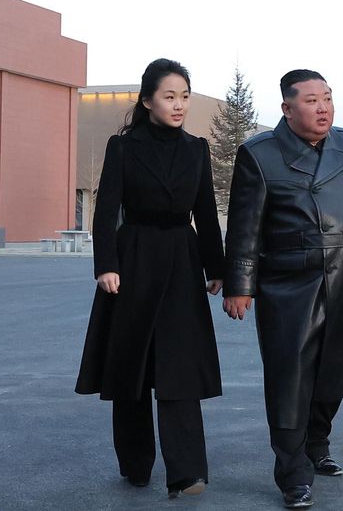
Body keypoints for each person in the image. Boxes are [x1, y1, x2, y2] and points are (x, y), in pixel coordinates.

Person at [223, 69, 343, 509]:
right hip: (288, 279)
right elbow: (244, 227)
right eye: (311, 100)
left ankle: (318, 443)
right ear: (287, 109)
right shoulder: (260, 154)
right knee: (289, 374)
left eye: (327, 98)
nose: (323, 107)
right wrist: (240, 284)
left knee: (337, 368)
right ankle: (293, 473)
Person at [75, 58, 224, 499]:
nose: (179, 105)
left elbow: (206, 214)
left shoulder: (197, 148)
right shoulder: (123, 147)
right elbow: (106, 212)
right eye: (169, 96)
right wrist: (106, 265)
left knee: (180, 366)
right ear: (147, 100)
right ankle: (136, 462)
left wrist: (215, 268)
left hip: (181, 259)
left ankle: (188, 472)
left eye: (184, 97)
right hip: (133, 259)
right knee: (132, 367)